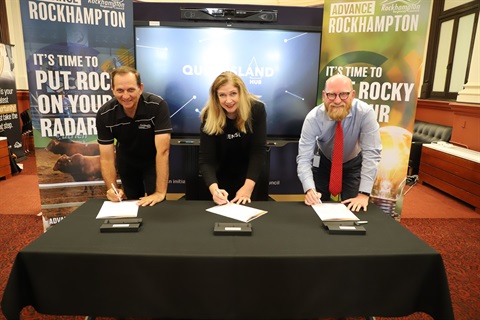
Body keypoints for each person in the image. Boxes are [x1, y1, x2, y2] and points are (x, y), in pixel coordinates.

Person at [297, 74, 382, 212]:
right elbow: (304, 158)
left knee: (353, 209)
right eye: (331, 95)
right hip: (323, 162)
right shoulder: (313, 118)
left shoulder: (365, 113)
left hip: (353, 163)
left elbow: (371, 153)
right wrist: (309, 189)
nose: (337, 101)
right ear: (324, 95)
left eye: (343, 94)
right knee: (316, 208)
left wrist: (363, 194)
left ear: (352, 94)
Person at [96, 66, 172, 206]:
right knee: (130, 205)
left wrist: (160, 193)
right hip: (127, 162)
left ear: (140, 88)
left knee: (157, 204)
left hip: (153, 161)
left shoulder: (157, 106)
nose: (125, 96)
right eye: (120, 90)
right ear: (112, 89)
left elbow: (163, 151)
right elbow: (106, 157)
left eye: (131, 89)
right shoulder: (104, 114)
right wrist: (112, 189)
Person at [199, 71, 267, 205]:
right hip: (219, 181)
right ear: (216, 97)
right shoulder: (208, 115)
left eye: (233, 93)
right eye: (222, 95)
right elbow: (206, 160)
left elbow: (258, 152)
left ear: (241, 92)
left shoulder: (257, 109)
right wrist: (215, 191)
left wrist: (247, 188)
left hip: (250, 178)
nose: (228, 100)